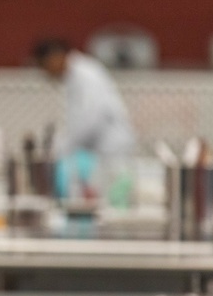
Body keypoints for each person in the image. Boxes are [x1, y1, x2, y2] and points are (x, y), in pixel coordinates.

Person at [32, 38, 137, 204]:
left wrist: (64, 146)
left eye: (45, 67)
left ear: (55, 57)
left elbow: (91, 117)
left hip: (112, 150)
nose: (48, 74)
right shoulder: (75, 76)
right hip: (102, 152)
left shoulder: (86, 74)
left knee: (113, 203)